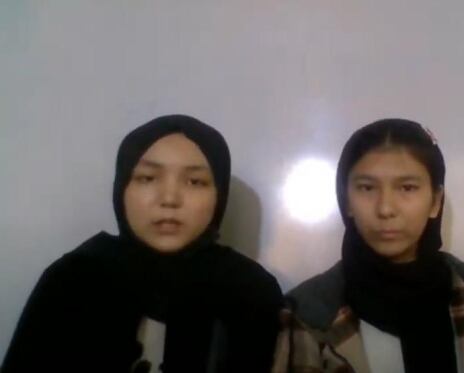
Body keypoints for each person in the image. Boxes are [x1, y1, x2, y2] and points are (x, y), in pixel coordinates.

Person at [2, 114, 283, 373]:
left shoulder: (250, 292)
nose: (169, 199)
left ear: (219, 195)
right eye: (147, 178)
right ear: (122, 187)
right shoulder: (74, 280)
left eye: (195, 182)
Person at [274, 118, 464, 373]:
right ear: (346, 202)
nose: (386, 208)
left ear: (435, 201)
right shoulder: (310, 313)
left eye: (407, 188)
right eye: (367, 188)